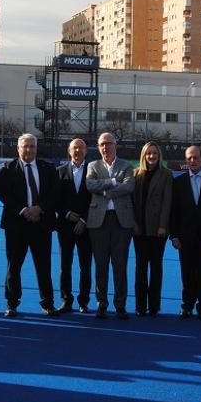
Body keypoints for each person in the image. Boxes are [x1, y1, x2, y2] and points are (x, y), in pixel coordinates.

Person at [0, 133, 60, 317]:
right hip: (16, 225)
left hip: (41, 224)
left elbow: (54, 192)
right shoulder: (8, 168)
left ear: (36, 148)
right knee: (13, 266)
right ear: (18, 148)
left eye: (32, 146)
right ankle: (12, 304)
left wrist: (39, 208)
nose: (29, 149)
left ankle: (48, 303)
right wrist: (24, 210)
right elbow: (4, 194)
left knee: (44, 266)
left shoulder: (48, 168)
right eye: (25, 146)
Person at [86, 132, 136, 319]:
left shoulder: (127, 165)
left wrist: (106, 191)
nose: (105, 147)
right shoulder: (92, 165)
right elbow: (90, 185)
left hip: (121, 222)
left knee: (120, 265)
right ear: (98, 147)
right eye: (102, 144)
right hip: (98, 222)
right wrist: (114, 182)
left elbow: (129, 186)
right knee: (101, 265)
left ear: (116, 145)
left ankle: (120, 305)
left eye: (109, 143)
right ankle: (101, 303)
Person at [170, 145, 201, 318]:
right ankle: (187, 305)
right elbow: (174, 211)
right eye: (189, 158)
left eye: (196, 157)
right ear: (186, 160)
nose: (192, 161)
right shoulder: (178, 182)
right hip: (185, 237)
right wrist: (174, 235)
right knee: (187, 272)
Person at [131, 140, 173, 316]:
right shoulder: (136, 174)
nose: (152, 156)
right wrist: (133, 223)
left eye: (155, 153)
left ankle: (154, 306)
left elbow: (167, 202)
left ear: (159, 155)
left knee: (156, 268)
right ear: (144, 155)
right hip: (139, 229)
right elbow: (130, 202)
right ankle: (140, 306)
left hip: (157, 230)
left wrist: (163, 225)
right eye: (149, 153)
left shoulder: (166, 175)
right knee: (140, 267)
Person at [56, 137, 93, 313]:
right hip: (65, 226)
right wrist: (67, 213)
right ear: (69, 151)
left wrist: (84, 219)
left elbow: (96, 199)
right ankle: (66, 300)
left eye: (81, 148)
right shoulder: (59, 172)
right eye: (74, 148)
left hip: (86, 227)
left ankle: (83, 301)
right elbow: (54, 198)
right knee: (65, 265)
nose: (78, 151)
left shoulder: (94, 171)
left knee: (85, 266)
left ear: (86, 151)